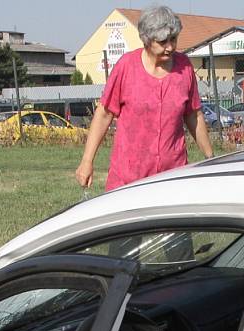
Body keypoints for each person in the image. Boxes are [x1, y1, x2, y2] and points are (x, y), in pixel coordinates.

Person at [76, 5, 213, 192]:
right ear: (147, 39)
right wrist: (87, 161)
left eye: (174, 39)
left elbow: (193, 115)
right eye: (163, 41)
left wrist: (210, 157)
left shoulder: (185, 68)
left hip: (172, 177)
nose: (170, 47)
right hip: (128, 178)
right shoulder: (126, 67)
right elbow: (104, 115)